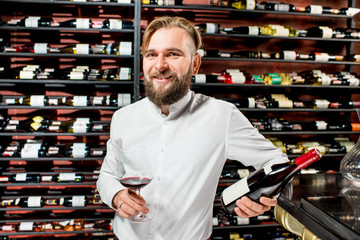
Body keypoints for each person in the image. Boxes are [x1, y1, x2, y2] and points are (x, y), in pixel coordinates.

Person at [97, 16, 289, 240]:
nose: (160, 65)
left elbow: (277, 162)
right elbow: (107, 175)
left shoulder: (221, 116)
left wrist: (260, 196)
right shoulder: (124, 117)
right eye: (151, 55)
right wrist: (117, 194)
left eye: (173, 54)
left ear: (195, 64)